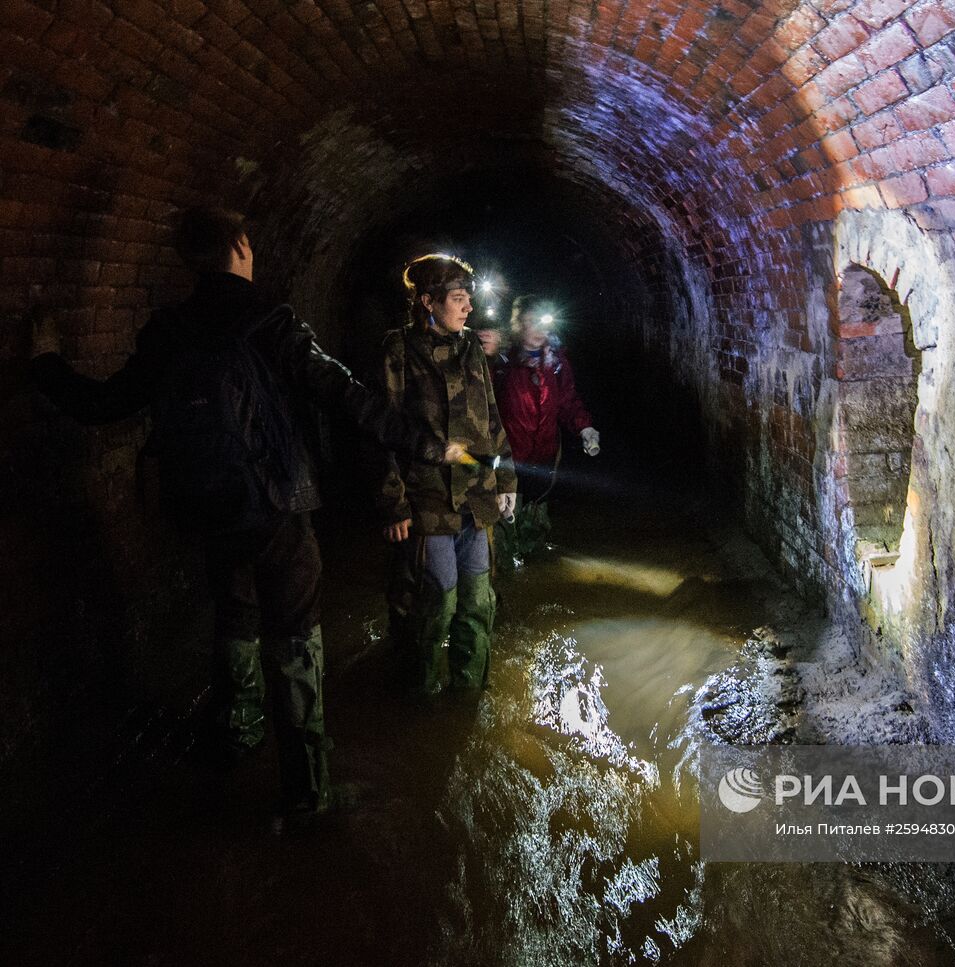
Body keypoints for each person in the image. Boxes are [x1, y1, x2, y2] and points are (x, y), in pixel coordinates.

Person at [28, 207, 466, 824]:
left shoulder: (167, 331)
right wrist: (424, 444)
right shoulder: (270, 320)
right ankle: (307, 789)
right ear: (238, 245)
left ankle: (238, 732)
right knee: (295, 631)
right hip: (278, 506)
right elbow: (344, 396)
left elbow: (104, 403)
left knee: (234, 614)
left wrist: (44, 359)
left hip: (206, 505)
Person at [372, 254, 516, 699]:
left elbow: (490, 417)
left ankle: (469, 692)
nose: (468, 307)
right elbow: (380, 429)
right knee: (436, 603)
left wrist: (506, 479)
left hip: (475, 497)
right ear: (428, 301)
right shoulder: (397, 350)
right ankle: (422, 692)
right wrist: (393, 502)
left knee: (477, 603)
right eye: (458, 299)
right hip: (427, 499)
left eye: (469, 298)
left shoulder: (471, 346)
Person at [491, 295, 598, 560]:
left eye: (543, 322)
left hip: (544, 456)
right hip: (508, 459)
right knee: (503, 521)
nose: (540, 330)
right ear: (518, 324)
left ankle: (531, 566)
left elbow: (567, 401)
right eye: (531, 322)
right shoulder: (502, 362)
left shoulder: (557, 363)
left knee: (535, 524)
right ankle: (505, 568)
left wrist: (584, 428)